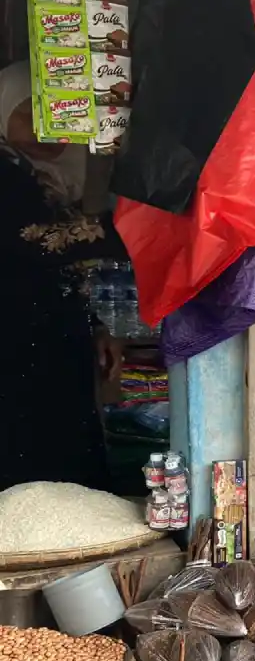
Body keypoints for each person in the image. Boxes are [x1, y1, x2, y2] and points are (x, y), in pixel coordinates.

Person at [0, 61, 123, 492]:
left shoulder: (50, 179)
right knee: (26, 454)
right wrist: (123, 226)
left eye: (54, 115)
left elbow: (65, 268)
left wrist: (94, 325)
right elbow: (36, 240)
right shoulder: (4, 172)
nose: (45, 129)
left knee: (63, 453)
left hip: (51, 336)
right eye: (28, 114)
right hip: (13, 341)